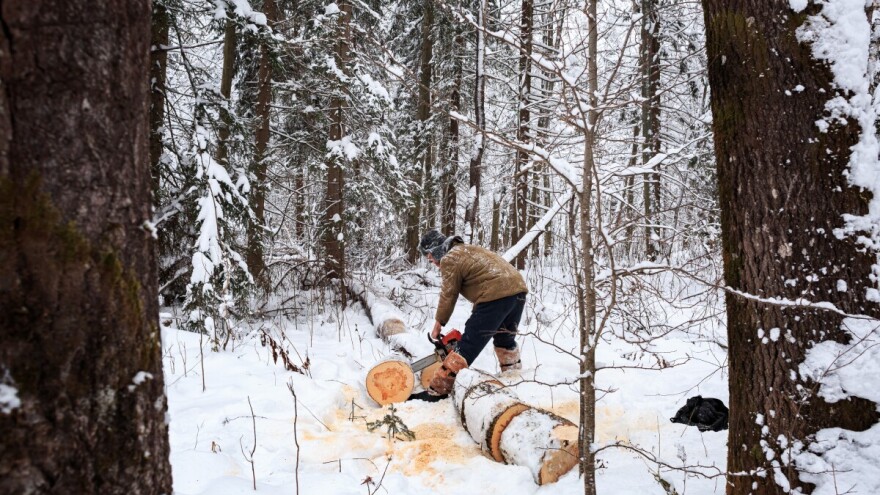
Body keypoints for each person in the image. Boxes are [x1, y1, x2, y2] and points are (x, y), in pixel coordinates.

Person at [408, 229, 529, 402]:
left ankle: (437, 392)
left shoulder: (450, 258)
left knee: (467, 346)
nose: (433, 263)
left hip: (495, 295)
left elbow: (449, 293)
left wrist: (438, 324)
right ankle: (514, 377)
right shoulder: (468, 249)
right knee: (504, 339)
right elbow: (484, 279)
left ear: (436, 250)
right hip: (517, 291)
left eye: (431, 258)